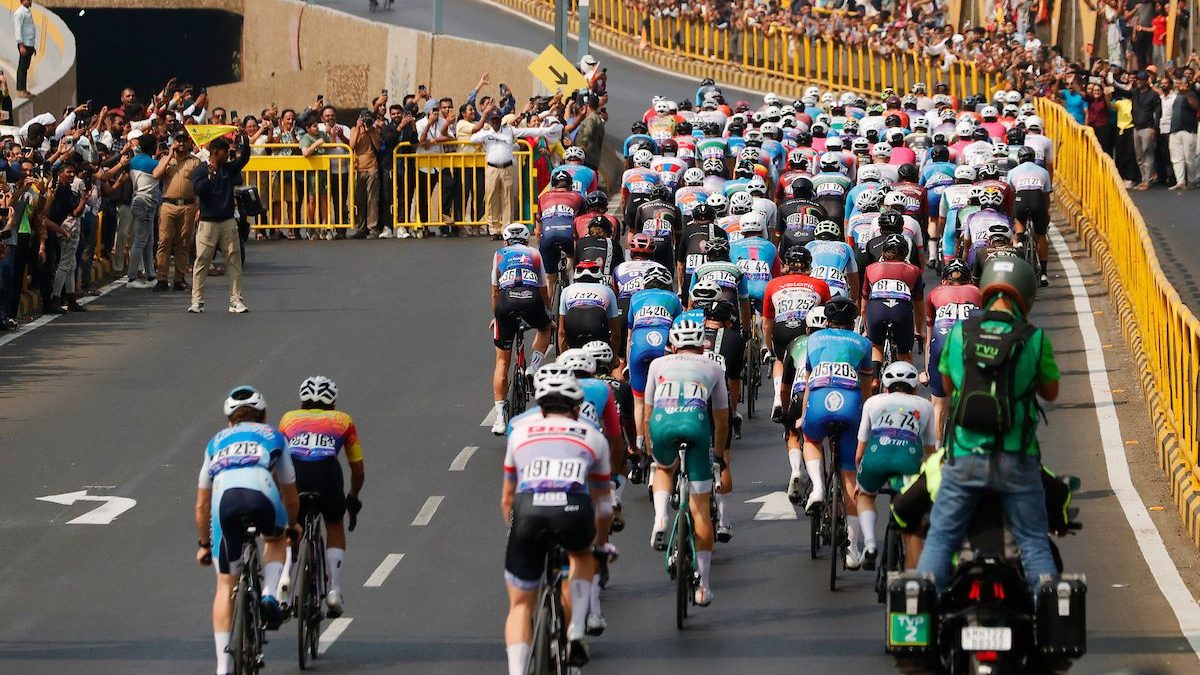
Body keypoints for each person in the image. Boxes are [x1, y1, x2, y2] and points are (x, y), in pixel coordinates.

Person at [916, 256, 1061, 593]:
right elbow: (1051, 392)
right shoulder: (1034, 339)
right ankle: (1049, 617)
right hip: (1017, 458)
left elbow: (948, 387)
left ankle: (920, 615)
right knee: (1034, 544)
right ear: (1026, 294)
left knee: (940, 540)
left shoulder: (960, 334)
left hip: (964, 456)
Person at [502, 370, 612, 674]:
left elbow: (507, 499)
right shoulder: (593, 437)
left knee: (520, 605)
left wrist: (517, 537)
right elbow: (604, 504)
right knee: (582, 557)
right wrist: (600, 545)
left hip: (529, 513)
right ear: (577, 408)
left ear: (540, 406)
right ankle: (576, 628)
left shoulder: (520, 433)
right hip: (573, 510)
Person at [195, 386, 299, 675]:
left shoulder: (215, 442)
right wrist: (293, 524)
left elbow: (202, 505)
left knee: (225, 585)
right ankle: (268, 594)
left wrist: (204, 543)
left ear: (229, 420)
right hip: (262, 493)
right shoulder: (274, 436)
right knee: (277, 539)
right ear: (264, 416)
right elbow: (290, 492)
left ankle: (222, 666)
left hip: (224, 502)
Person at [645, 319, 729, 606]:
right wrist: (718, 455)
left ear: (674, 344)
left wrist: (649, 446)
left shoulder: (658, 365)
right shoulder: (713, 367)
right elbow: (721, 421)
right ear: (702, 345)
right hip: (696, 427)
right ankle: (703, 585)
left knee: (663, 468)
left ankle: (660, 519)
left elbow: (647, 412)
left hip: (662, 425)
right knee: (701, 509)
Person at [278, 376, 365, 620]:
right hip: (327, 474)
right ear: (333, 402)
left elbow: (277, 460)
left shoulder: (288, 419)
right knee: (334, 524)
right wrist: (353, 498)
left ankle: (285, 576)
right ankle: (334, 591)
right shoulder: (343, 421)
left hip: (297, 473)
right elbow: (357, 469)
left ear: (302, 401)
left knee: (293, 524)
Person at [801, 297, 873, 564]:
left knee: (809, 438)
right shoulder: (863, 343)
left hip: (820, 401)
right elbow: (867, 389)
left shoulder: (813, 340)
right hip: (850, 404)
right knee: (850, 478)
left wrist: (802, 416)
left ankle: (818, 488)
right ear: (853, 321)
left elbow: (808, 384)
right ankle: (853, 550)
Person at [853, 360, 935, 569]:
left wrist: (860, 479)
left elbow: (859, 451)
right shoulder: (925, 405)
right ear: (915, 387)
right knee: (912, 520)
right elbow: (931, 453)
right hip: (908, 461)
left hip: (875, 457)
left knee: (865, 496)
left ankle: (870, 544)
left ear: (885, 387)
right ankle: (911, 579)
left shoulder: (872, 402)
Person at [490, 223, 553, 434]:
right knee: (545, 328)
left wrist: (496, 317)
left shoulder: (499, 254)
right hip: (531, 299)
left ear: (505, 240)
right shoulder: (534, 254)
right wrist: (549, 314)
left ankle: (499, 419)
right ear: (526, 240)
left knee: (501, 362)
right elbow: (544, 290)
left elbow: (495, 293)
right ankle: (533, 368)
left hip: (506, 303)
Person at [190, 134, 251, 314]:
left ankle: (236, 299)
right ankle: (197, 301)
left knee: (234, 259)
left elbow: (244, 158)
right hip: (208, 221)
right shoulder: (201, 170)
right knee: (202, 260)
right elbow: (198, 189)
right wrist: (209, 175)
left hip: (227, 220)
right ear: (215, 152)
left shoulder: (229, 169)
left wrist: (245, 140)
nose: (228, 154)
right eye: (225, 151)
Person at [924, 259, 982, 443]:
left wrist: (927, 371)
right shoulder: (978, 293)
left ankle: (937, 455)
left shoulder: (934, 294)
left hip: (941, 346)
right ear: (969, 280)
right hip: (969, 346)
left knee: (938, 406)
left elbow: (928, 339)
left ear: (944, 281)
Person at [153, 132, 200, 291]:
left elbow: (199, 187)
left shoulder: (195, 161)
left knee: (184, 242)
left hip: (188, 206)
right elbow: (156, 175)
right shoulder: (167, 159)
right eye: (178, 140)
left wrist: (199, 208)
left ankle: (179, 279)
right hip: (168, 205)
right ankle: (162, 278)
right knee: (164, 241)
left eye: (183, 141)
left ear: (188, 142)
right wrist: (169, 154)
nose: (180, 143)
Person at [12, 0, 35, 98]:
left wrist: (33, 47)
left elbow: (29, 29)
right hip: (24, 44)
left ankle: (24, 89)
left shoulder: (28, 12)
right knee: (22, 68)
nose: (30, 1)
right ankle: (20, 90)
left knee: (25, 68)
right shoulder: (19, 13)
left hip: (29, 44)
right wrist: (21, 45)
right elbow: (18, 29)